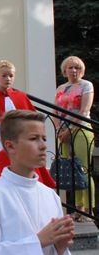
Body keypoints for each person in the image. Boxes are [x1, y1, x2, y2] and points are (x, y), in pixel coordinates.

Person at [0, 110, 74, 255]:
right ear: (10, 146)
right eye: (34, 138)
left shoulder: (51, 196)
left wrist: (60, 248)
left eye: (44, 138)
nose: (43, 146)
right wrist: (38, 241)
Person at [0, 60, 55, 187]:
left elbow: (33, 122)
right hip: (2, 147)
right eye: (4, 75)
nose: (8, 78)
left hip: (25, 145)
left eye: (11, 76)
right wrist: (6, 125)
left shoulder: (22, 97)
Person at [54, 56, 95, 221]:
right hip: (63, 133)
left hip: (81, 131)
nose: (74, 70)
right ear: (65, 70)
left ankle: (87, 210)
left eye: (77, 67)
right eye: (70, 67)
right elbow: (55, 110)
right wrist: (59, 130)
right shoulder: (61, 87)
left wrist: (70, 130)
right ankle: (77, 210)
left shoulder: (86, 85)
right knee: (70, 171)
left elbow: (84, 111)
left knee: (83, 170)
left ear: (82, 70)